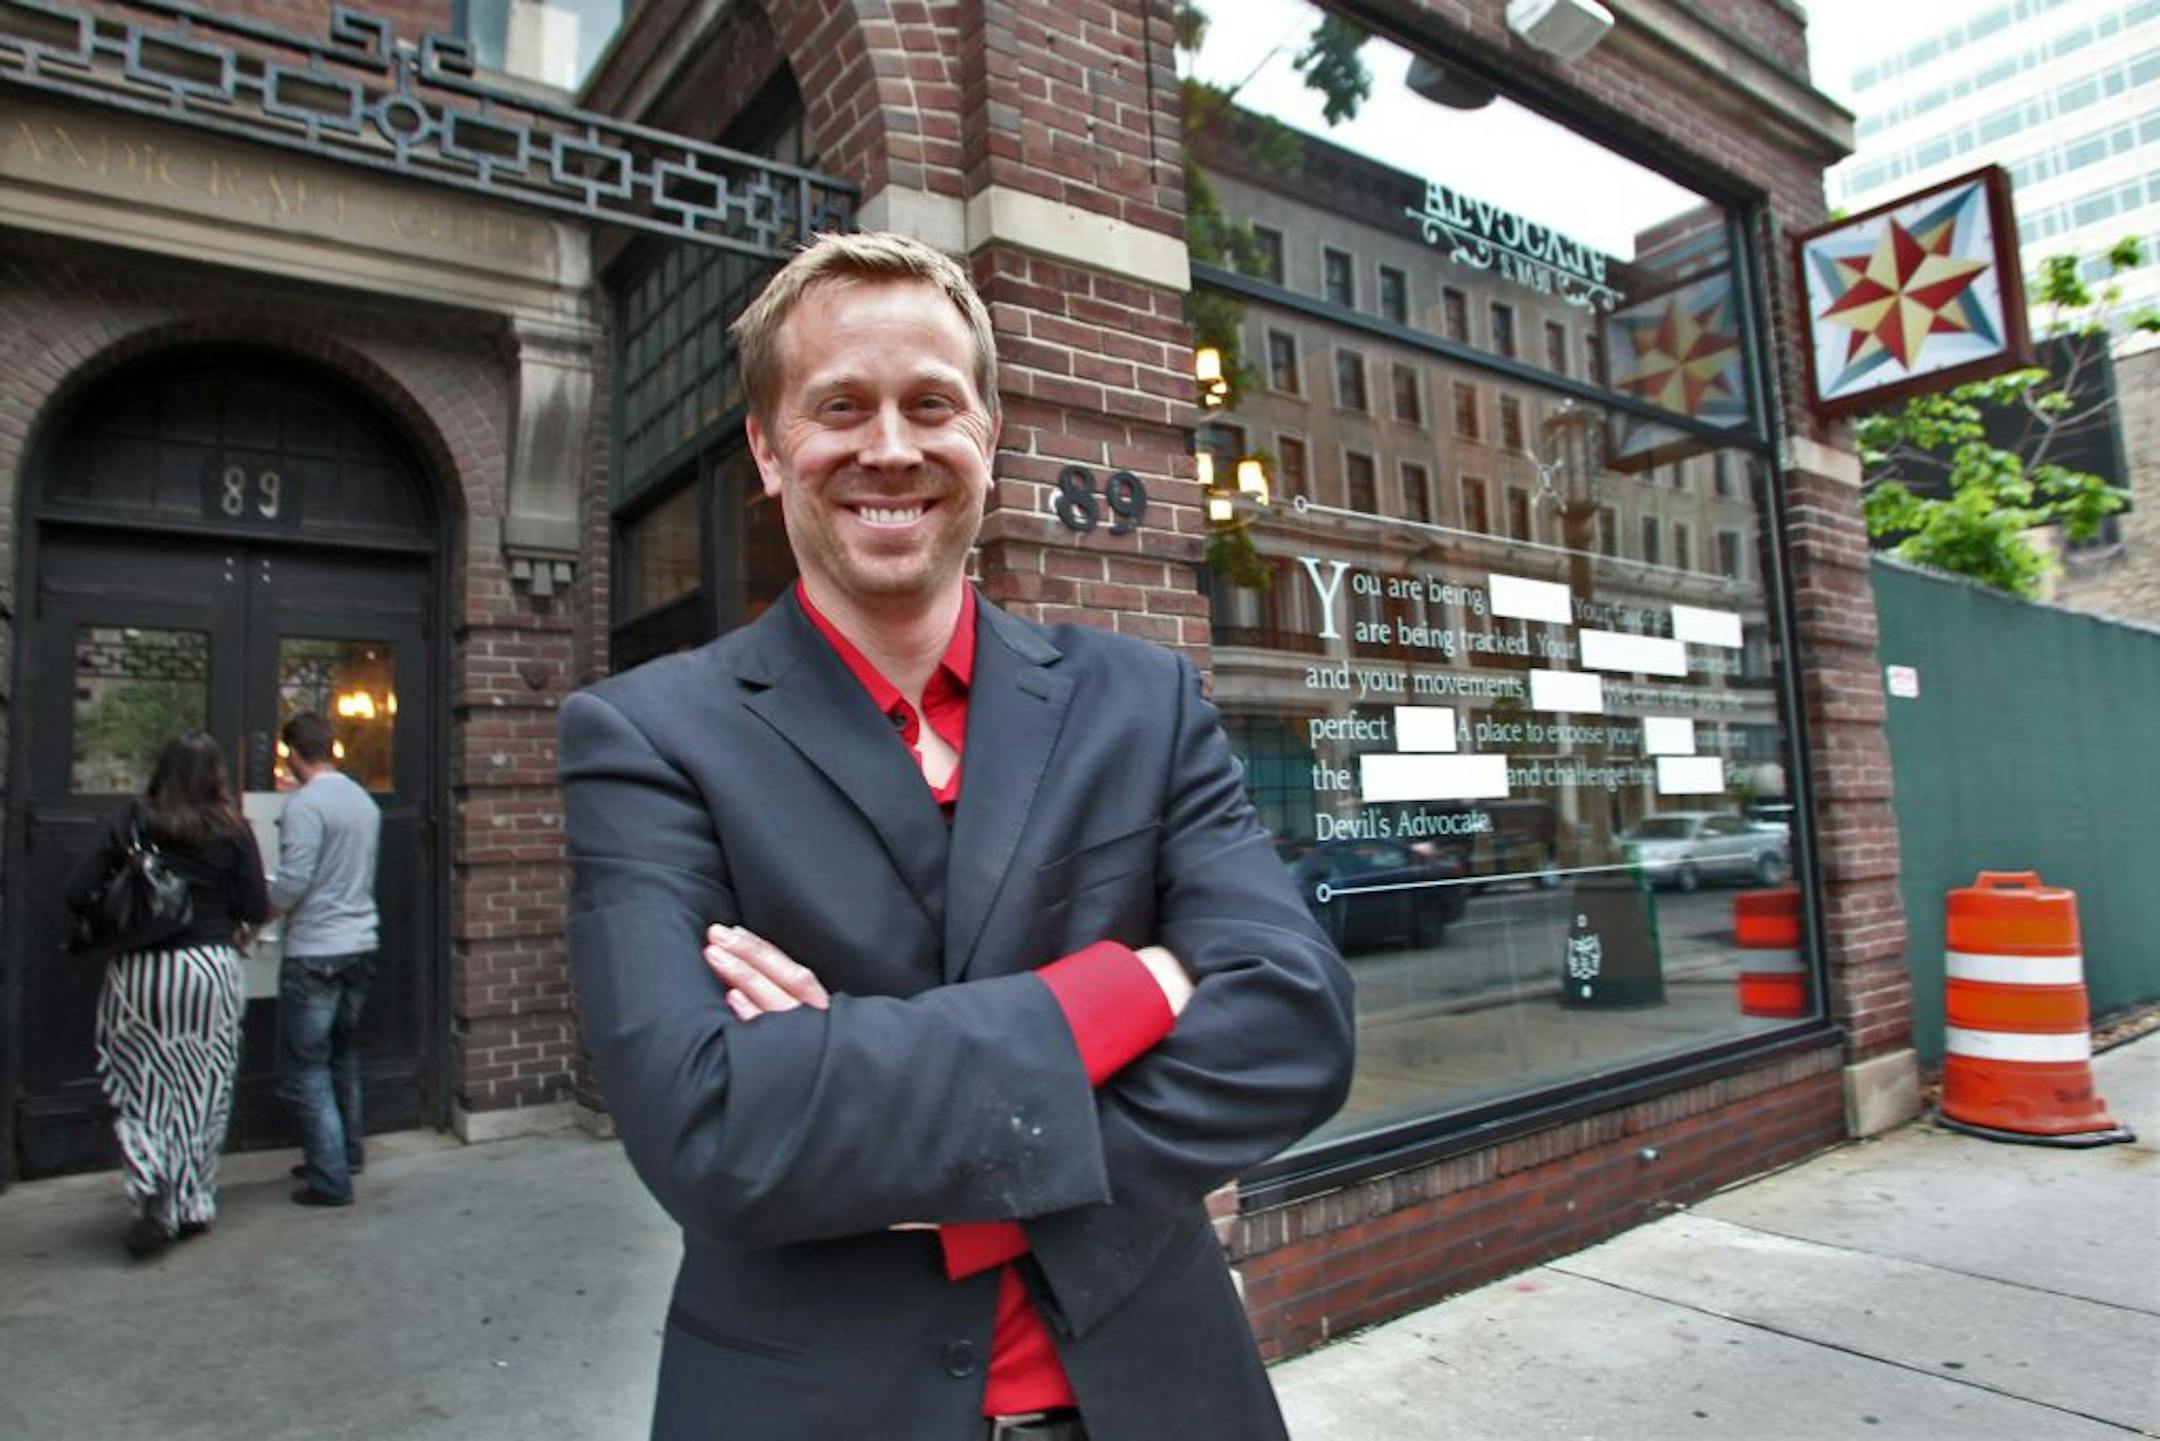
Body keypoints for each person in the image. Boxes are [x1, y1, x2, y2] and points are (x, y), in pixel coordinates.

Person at [560, 231, 1356, 1441]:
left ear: (987, 435)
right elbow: (707, 1128)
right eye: (841, 406)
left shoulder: (1141, 701)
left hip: (1158, 1395)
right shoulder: (647, 736)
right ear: (771, 451)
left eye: (932, 402)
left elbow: (1296, 1024)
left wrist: (864, 1105)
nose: (890, 446)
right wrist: (1121, 990)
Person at [65, 732, 270, 1258]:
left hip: (139, 971)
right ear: (217, 774)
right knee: (204, 1087)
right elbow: (253, 903)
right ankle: (193, 1202)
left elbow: (75, 890)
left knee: (139, 1082)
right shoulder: (233, 829)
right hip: (208, 969)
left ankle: (149, 1184)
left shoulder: (131, 820)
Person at [269, 711, 382, 1208]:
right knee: (343, 1056)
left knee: (307, 1068)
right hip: (360, 943)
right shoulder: (363, 801)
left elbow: (293, 881)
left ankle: (330, 1177)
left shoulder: (304, 805)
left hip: (315, 948)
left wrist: (258, 912)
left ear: (294, 752)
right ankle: (345, 1152)